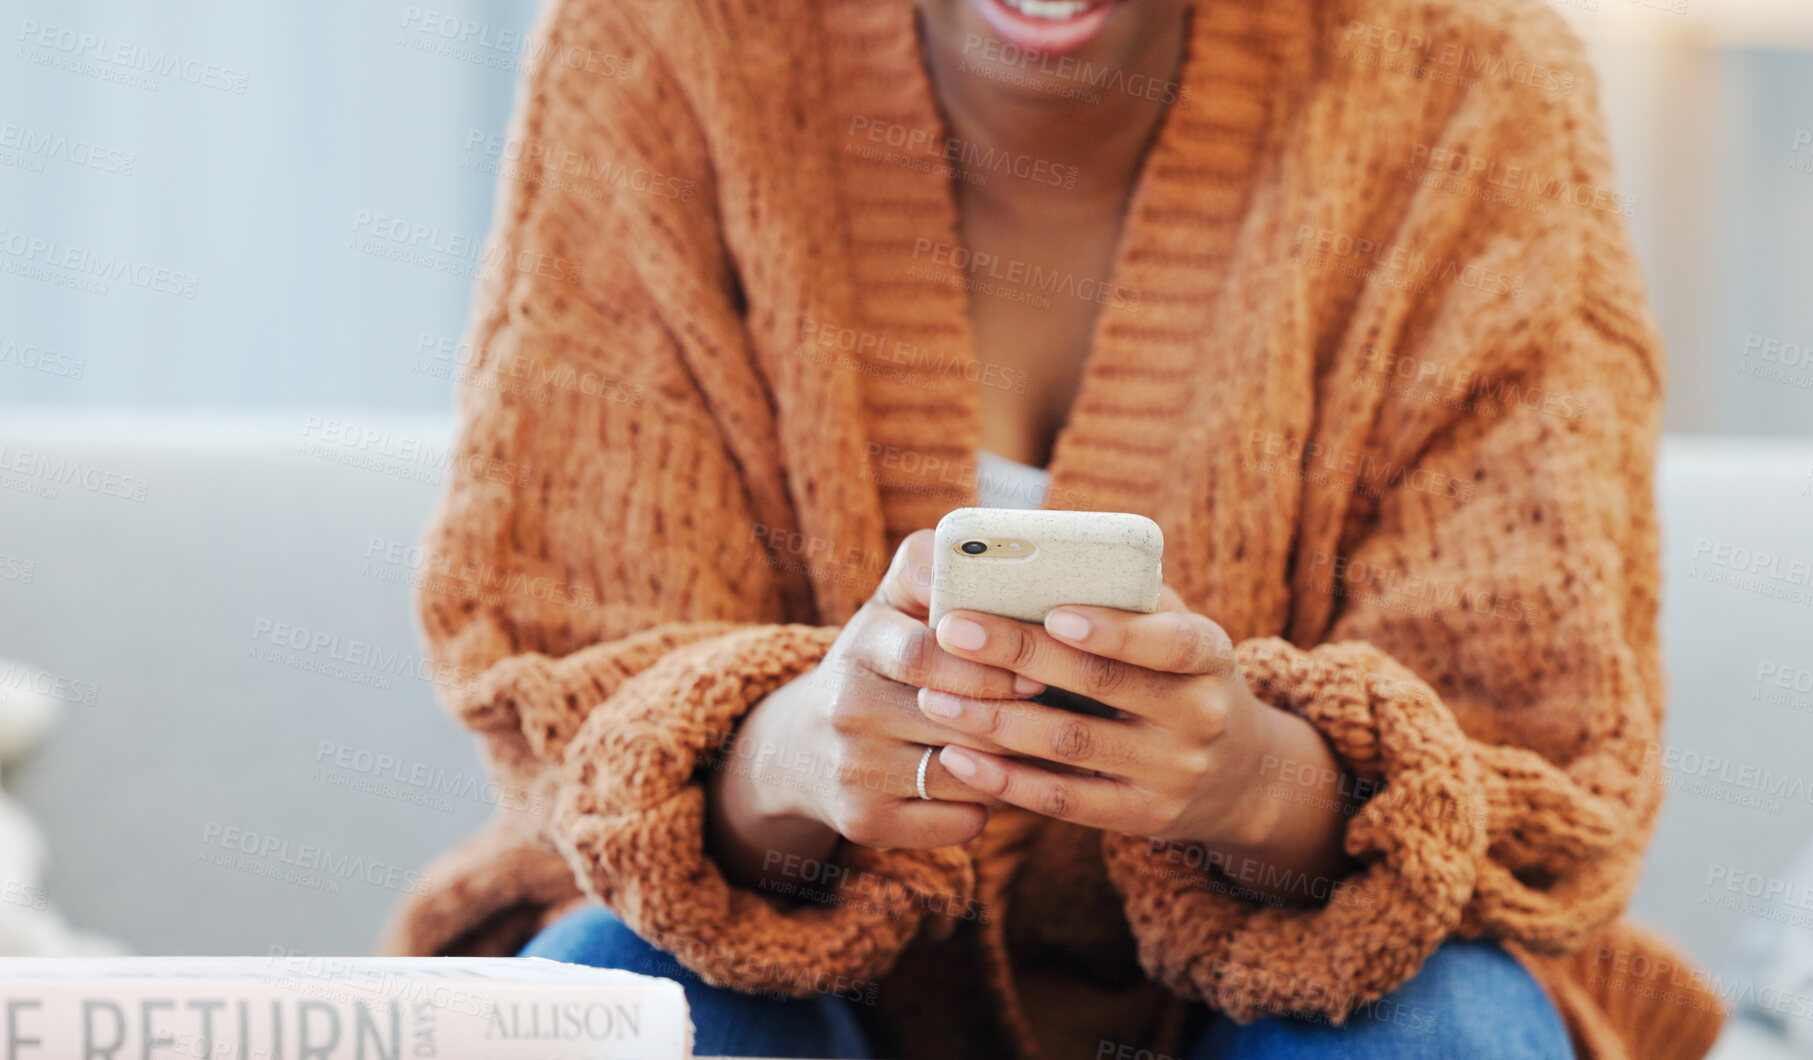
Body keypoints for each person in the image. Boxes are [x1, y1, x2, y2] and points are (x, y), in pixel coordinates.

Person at [380, 0, 1730, 1056]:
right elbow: (561, 689)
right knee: (615, 1000)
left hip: (1292, 1003)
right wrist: (787, 760)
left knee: (1439, 1022)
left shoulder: (1472, 84)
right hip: (773, 973)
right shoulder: (663, 46)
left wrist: (1259, 785)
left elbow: (1545, 756)